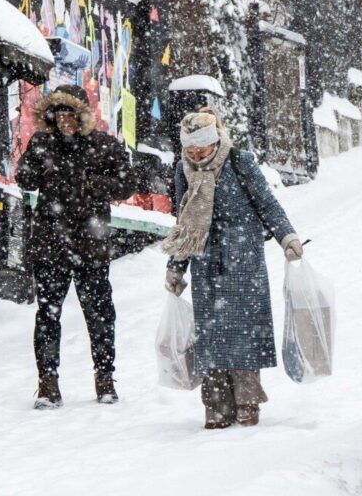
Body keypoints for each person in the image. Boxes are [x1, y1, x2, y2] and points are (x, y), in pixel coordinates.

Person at [162, 109, 304, 429]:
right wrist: (176, 267)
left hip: (243, 261)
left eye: (201, 149)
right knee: (211, 337)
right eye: (190, 150)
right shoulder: (184, 171)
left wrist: (287, 237)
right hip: (205, 264)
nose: (196, 155)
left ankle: (247, 402)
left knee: (243, 335)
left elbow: (266, 204)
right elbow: (185, 223)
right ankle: (216, 407)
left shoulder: (240, 161)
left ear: (214, 142)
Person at [16, 86, 136, 409]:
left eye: (71, 114)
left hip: (90, 246)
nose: (65, 121)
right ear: (51, 117)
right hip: (51, 245)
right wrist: (36, 163)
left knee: (99, 315)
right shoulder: (42, 143)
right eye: (59, 115)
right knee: (48, 316)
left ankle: (105, 377)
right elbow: (23, 178)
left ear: (82, 116)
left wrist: (95, 184)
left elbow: (128, 182)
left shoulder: (102, 146)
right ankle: (48, 383)